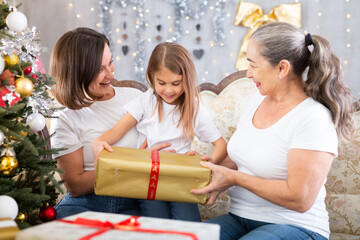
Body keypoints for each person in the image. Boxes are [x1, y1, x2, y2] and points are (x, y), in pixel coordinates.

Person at [191, 22, 354, 240]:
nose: (248, 74)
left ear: (282, 68)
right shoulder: (256, 100)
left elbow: (300, 198)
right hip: (240, 218)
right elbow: (241, 156)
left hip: (297, 226)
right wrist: (200, 167)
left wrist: (235, 178)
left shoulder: (312, 118)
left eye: (253, 65)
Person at [92, 42, 227, 221]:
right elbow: (117, 131)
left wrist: (207, 163)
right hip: (149, 177)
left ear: (186, 79)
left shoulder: (193, 106)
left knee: (187, 224)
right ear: (151, 77)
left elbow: (220, 144)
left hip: (181, 178)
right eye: (161, 83)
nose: (169, 90)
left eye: (176, 83)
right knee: (156, 224)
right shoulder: (146, 101)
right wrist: (98, 142)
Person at [50, 27, 172, 219]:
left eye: (111, 62)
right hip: (86, 203)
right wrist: (132, 164)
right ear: (77, 72)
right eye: (99, 69)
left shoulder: (136, 99)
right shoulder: (65, 118)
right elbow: (76, 186)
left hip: (136, 201)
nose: (111, 74)